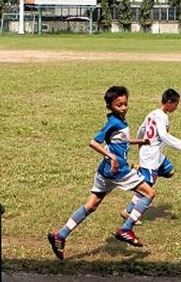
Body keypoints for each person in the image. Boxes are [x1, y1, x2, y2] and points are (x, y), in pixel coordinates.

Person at [48, 86, 155, 260]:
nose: (123, 107)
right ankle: (126, 228)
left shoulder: (119, 121)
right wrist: (111, 156)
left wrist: (139, 141)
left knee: (91, 206)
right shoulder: (113, 122)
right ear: (110, 106)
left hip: (105, 172)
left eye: (125, 104)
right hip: (118, 170)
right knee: (149, 193)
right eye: (119, 105)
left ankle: (60, 235)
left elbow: (121, 140)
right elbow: (93, 142)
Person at [120, 88, 181, 224]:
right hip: (151, 157)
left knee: (170, 171)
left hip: (156, 155)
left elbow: (141, 129)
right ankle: (129, 212)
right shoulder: (163, 117)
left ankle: (139, 169)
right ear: (169, 102)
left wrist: (140, 143)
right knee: (146, 187)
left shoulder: (152, 113)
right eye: (176, 104)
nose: (176, 108)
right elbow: (165, 136)